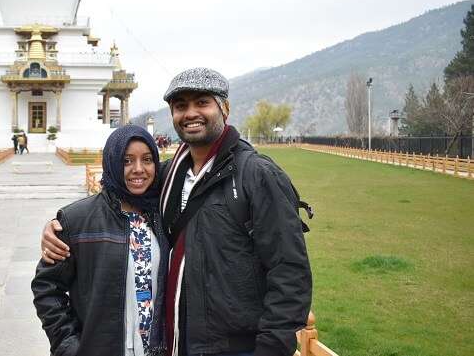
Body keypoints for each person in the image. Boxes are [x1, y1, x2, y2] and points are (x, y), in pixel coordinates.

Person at [41, 68, 312, 356]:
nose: (190, 113)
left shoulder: (256, 175)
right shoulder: (169, 176)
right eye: (181, 106)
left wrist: (270, 350)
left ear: (225, 108)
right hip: (178, 341)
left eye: (202, 103)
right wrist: (60, 226)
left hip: (237, 346)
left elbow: (289, 271)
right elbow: (119, 196)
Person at [32, 125, 169, 356]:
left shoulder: (165, 215)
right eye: (126, 161)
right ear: (112, 162)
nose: (138, 169)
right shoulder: (77, 220)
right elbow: (46, 287)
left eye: (147, 159)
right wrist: (70, 346)